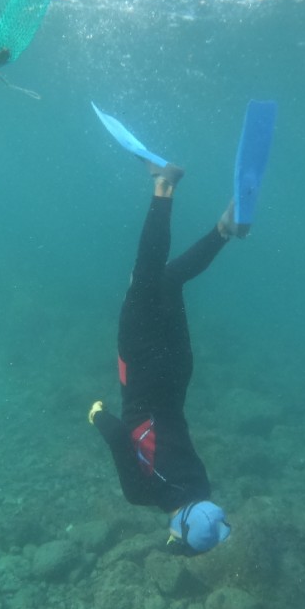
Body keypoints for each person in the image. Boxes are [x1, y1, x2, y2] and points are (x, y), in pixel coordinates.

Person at [88, 162, 244, 555]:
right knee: (145, 276)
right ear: (177, 530)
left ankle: (224, 230)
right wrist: (97, 415)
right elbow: (118, 437)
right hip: (143, 375)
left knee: (169, 280)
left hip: (177, 375)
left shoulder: (201, 485)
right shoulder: (143, 494)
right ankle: (164, 187)